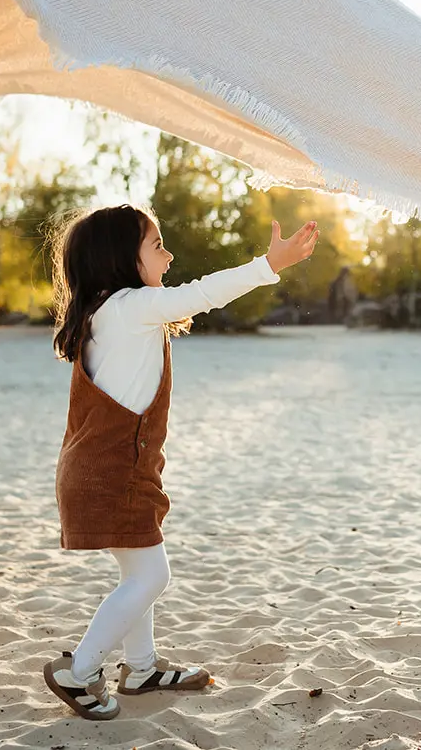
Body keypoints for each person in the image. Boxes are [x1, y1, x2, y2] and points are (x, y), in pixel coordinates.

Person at [40, 206, 320, 720]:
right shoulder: (128, 307)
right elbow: (202, 294)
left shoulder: (111, 310)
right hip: (113, 474)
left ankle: (141, 668)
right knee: (151, 577)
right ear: (122, 260)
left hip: (115, 470)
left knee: (138, 569)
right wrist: (269, 264)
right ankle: (79, 671)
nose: (168, 256)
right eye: (157, 246)